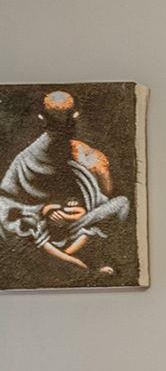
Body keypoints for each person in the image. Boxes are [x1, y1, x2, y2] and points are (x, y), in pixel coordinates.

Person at [1, 90, 130, 277]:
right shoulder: (27, 160)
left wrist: (76, 214)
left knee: (121, 204)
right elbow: (8, 204)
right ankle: (70, 261)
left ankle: (66, 258)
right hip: (42, 231)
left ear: (42, 119)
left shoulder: (87, 157)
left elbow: (102, 199)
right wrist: (47, 211)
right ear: (75, 117)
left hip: (78, 231)